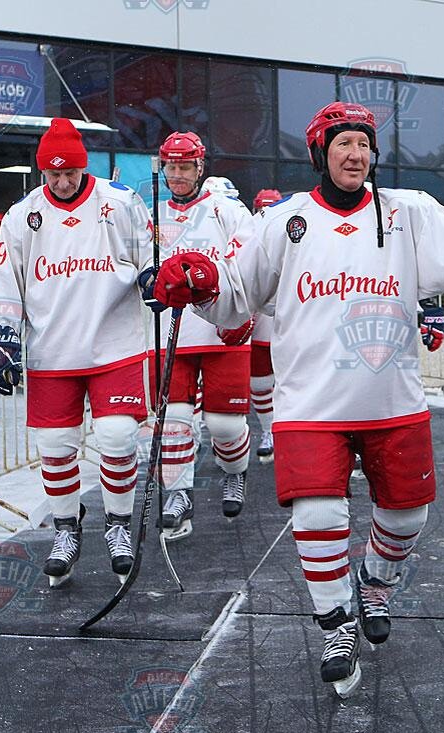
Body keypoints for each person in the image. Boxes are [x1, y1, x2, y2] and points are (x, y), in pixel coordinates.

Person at [151, 101, 444, 695]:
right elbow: (237, 294)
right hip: (311, 405)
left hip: (393, 401)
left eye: (364, 144)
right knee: (318, 515)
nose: (356, 154)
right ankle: (336, 621)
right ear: (320, 151)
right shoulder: (284, 222)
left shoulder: (406, 213)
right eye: (343, 143)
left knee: (406, 516)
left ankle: (375, 581)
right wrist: (202, 283)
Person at [0, 117, 154, 588]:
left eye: (70, 173)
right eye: (53, 174)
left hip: (113, 344)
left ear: (84, 166)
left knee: (118, 437)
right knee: (55, 449)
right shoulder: (23, 216)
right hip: (52, 351)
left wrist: (156, 278)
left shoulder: (120, 203)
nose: (62, 182)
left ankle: (117, 523)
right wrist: (0, 339)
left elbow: (149, 256)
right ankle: (66, 528)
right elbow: (6, 282)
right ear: (43, 173)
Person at [136, 132, 258, 541]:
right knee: (172, 422)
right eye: (170, 167)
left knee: (224, 425)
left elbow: (249, 259)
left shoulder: (226, 210)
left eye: (184, 167)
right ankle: (179, 492)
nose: (176, 175)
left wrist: (244, 309)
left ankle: (235, 473)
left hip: (221, 327)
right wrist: (147, 280)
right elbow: (140, 258)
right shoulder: (152, 213)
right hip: (172, 329)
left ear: (200, 167)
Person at [249, 188, 283, 462]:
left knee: (295, 382)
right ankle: (268, 430)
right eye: (261, 209)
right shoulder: (247, 234)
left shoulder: (290, 231)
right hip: (261, 321)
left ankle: (292, 431)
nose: (265, 214)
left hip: (289, 322)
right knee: (259, 383)